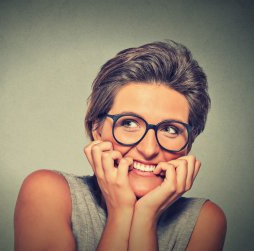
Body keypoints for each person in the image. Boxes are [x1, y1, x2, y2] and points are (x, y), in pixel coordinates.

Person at [14, 40, 227, 251]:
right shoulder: (47, 192)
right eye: (129, 123)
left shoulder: (204, 221)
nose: (149, 149)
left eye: (170, 129)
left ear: (188, 143)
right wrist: (120, 212)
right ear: (96, 129)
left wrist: (145, 217)